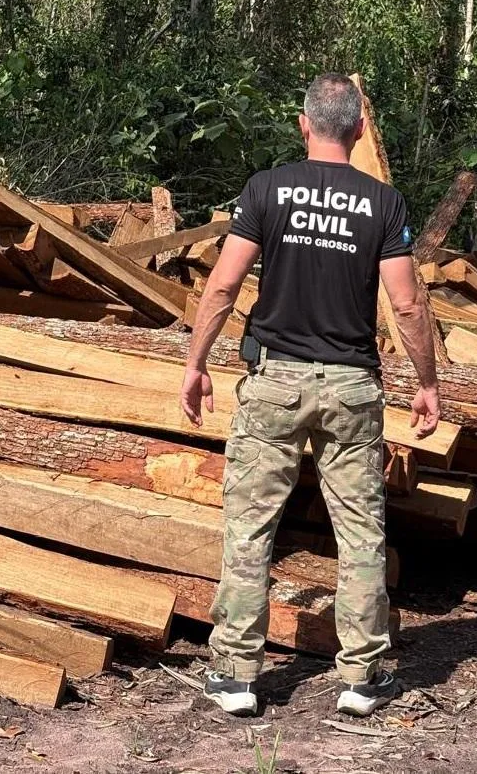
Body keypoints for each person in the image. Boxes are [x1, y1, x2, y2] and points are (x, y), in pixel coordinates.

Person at [180, 72, 441, 718]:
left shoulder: (265, 190)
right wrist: (428, 382)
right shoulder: (383, 203)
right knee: (359, 533)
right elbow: (407, 304)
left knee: (249, 527)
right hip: (351, 385)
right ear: (357, 129)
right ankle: (360, 677)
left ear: (303, 124)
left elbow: (221, 287)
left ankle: (237, 676)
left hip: (274, 379)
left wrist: (196, 362)